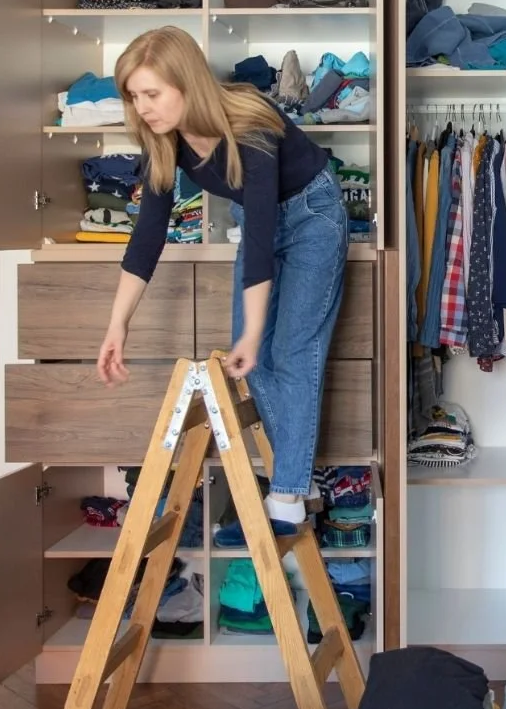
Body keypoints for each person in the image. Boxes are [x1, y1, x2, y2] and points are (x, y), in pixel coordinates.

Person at [98, 26, 348, 528]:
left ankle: (287, 497)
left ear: (186, 83)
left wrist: (255, 332)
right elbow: (147, 236)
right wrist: (117, 324)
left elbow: (259, 233)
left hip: (312, 215)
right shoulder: (163, 143)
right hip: (259, 223)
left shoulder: (251, 118)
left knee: (290, 351)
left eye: (152, 93)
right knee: (248, 360)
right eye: (134, 96)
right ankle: (297, 480)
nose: (143, 107)